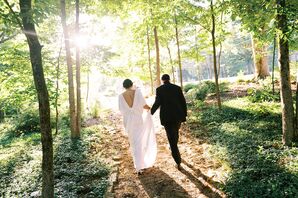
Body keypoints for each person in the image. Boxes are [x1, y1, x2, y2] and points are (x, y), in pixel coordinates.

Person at [118, 79, 157, 174]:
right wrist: (150, 109)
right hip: (138, 120)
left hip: (128, 122)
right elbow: (144, 105)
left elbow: (121, 110)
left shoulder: (120, 96)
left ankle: (138, 167)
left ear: (124, 86)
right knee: (140, 141)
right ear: (132, 85)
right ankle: (142, 162)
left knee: (134, 143)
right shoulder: (137, 92)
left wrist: (129, 111)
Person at [151, 74, 187, 170]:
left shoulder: (159, 90)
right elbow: (183, 102)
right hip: (178, 116)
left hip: (167, 118)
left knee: (171, 138)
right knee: (175, 134)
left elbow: (157, 103)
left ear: (162, 80)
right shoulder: (177, 88)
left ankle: (178, 161)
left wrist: (150, 112)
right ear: (169, 79)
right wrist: (184, 114)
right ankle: (176, 154)